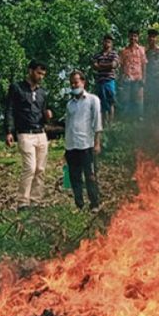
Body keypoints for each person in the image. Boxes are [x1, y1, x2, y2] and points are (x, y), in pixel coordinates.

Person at [5, 60, 53, 211]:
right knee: (30, 168)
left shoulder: (42, 92)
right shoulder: (17, 88)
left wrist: (48, 116)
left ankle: (36, 201)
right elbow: (9, 110)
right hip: (25, 134)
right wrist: (8, 131)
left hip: (41, 133)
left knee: (40, 169)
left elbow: (44, 112)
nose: (41, 77)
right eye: (39, 73)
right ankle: (23, 202)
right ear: (30, 71)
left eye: (43, 74)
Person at [64, 71, 102, 212]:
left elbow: (97, 122)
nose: (74, 85)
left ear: (83, 82)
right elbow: (68, 125)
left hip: (87, 144)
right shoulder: (70, 104)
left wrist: (97, 143)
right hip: (71, 145)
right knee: (74, 177)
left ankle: (95, 203)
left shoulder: (93, 100)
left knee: (90, 176)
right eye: (72, 83)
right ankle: (79, 205)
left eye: (76, 82)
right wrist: (66, 147)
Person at [91, 34, 119, 124]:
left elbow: (113, 65)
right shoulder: (97, 55)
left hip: (110, 80)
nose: (107, 43)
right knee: (101, 102)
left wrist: (101, 66)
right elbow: (95, 66)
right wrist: (107, 66)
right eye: (105, 41)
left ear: (111, 43)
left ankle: (111, 123)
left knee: (111, 101)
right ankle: (103, 123)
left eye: (109, 42)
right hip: (100, 81)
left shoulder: (114, 54)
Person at [119, 29, 146, 119]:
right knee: (126, 100)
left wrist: (144, 78)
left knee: (138, 99)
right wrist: (120, 79)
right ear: (128, 37)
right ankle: (127, 121)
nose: (133, 38)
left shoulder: (142, 50)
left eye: (135, 36)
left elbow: (144, 64)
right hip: (127, 78)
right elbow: (121, 66)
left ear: (138, 38)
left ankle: (139, 120)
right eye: (131, 36)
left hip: (138, 78)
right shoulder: (123, 51)